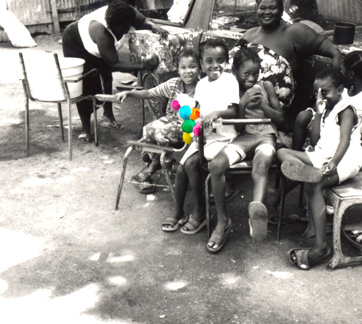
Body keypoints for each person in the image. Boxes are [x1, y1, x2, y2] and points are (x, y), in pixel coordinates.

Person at [276, 68, 362, 270]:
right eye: (317, 93)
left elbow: (345, 141)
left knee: (314, 187)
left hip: (345, 159)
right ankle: (310, 174)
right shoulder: (326, 109)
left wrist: (334, 163)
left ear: (340, 90)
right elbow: (315, 141)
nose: (320, 96)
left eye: (325, 92)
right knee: (281, 153)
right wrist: (317, 113)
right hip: (322, 156)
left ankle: (321, 248)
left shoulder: (346, 109)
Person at [207, 45, 284, 245]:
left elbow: (281, 119)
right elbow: (238, 128)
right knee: (216, 165)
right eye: (246, 74)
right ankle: (222, 221)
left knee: (261, 164)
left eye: (255, 74)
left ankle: (256, 212)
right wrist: (242, 104)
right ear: (235, 71)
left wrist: (263, 105)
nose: (251, 78)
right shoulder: (231, 88)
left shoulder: (266, 86)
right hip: (245, 137)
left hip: (266, 136)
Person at [61, 0, 167, 140]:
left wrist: (153, 26)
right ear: (112, 25)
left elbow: (143, 21)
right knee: (86, 83)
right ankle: (86, 128)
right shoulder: (102, 33)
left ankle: (108, 114)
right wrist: (143, 65)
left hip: (96, 42)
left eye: (127, 26)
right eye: (122, 28)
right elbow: (113, 64)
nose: (126, 31)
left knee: (107, 77)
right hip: (75, 43)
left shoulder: (126, 11)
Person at [169, 38, 240, 244]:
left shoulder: (229, 80)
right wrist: (189, 119)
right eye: (209, 61)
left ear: (227, 62)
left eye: (220, 60)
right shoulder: (201, 84)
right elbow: (198, 110)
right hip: (204, 137)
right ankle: (192, 211)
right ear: (201, 63)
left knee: (193, 164)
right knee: (184, 167)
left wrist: (217, 113)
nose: (215, 65)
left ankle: (207, 214)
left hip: (224, 138)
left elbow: (234, 111)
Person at [114, 47, 201, 199]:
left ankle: (158, 165)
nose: (188, 71)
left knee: (161, 133)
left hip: (189, 127)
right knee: (148, 129)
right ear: (178, 70)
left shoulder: (203, 87)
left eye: (192, 67)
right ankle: (153, 165)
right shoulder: (174, 84)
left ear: (199, 68)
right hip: (170, 121)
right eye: (183, 67)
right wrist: (129, 93)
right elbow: (149, 93)